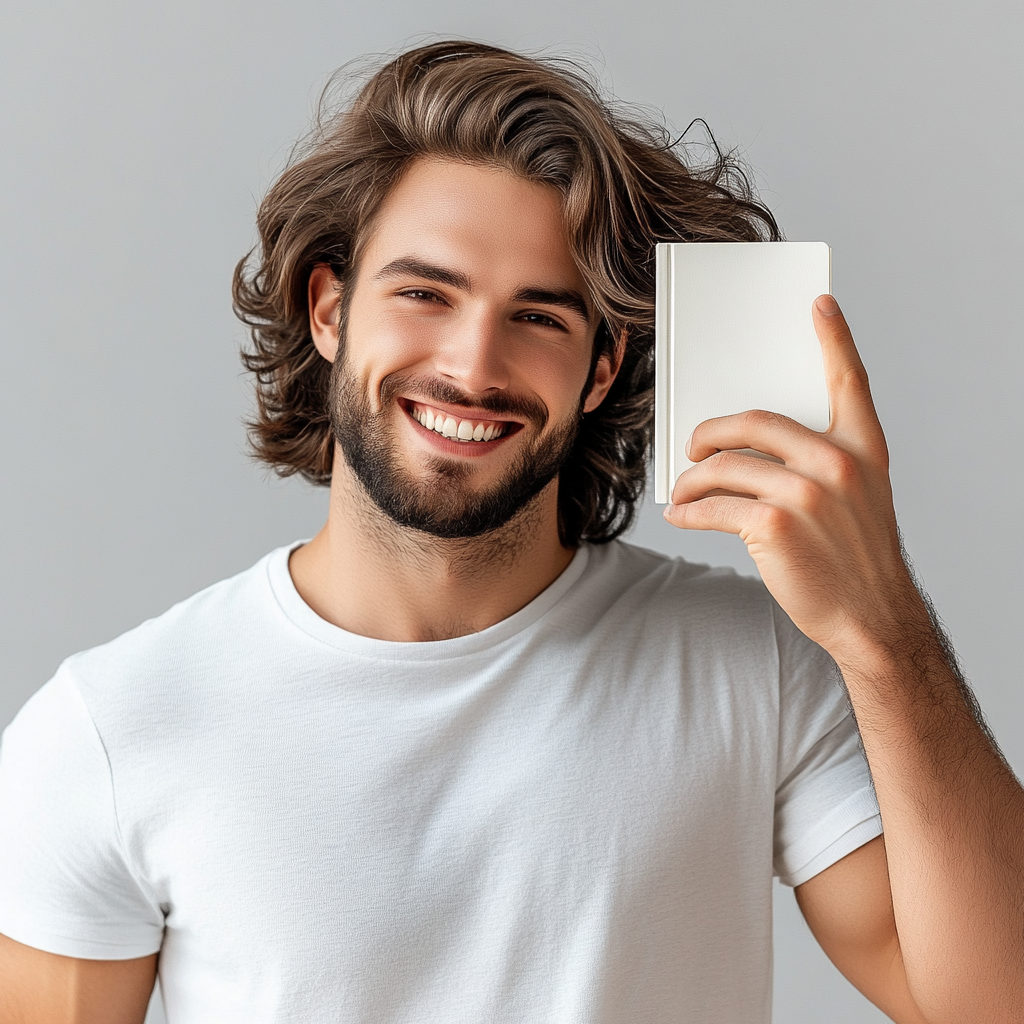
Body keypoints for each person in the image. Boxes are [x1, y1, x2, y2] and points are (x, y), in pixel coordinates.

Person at [0, 39, 1021, 1024]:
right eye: (424, 293)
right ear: (328, 307)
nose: (474, 364)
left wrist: (882, 625)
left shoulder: (755, 663)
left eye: (540, 316)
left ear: (603, 368)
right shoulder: (110, 730)